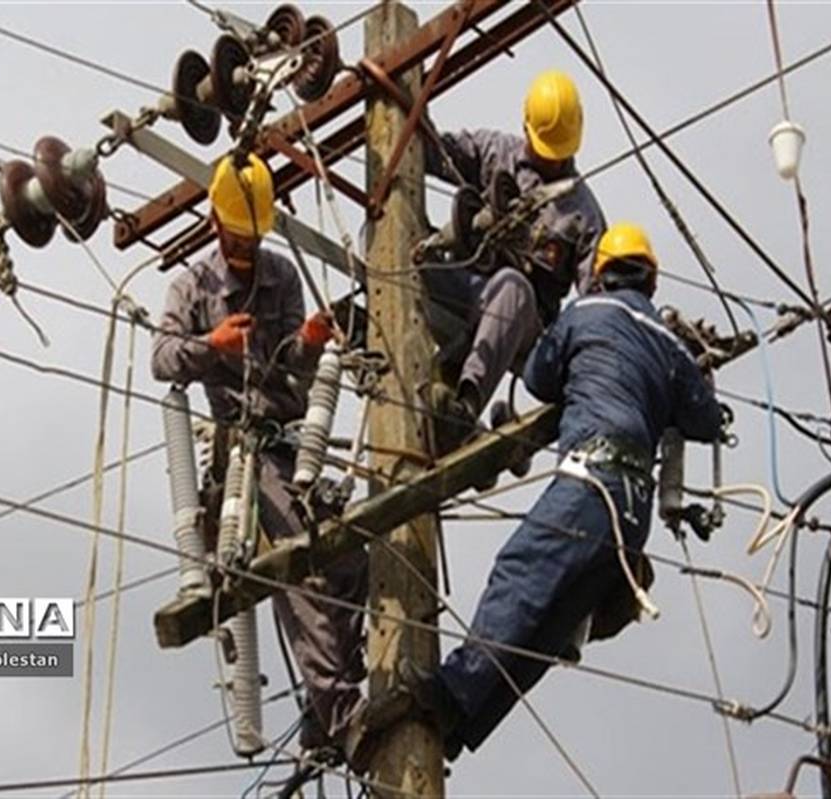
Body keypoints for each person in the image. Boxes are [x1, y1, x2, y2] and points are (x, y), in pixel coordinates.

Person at [368, 222, 724, 759]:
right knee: (549, 630)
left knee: (522, 573)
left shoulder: (586, 313)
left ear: (600, 275)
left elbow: (537, 377)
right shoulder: (670, 345)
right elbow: (705, 419)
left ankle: (450, 693)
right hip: (632, 515)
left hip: (590, 481)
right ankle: (462, 723)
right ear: (651, 282)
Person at [152, 153, 366, 756]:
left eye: (254, 236)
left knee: (352, 560)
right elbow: (161, 359)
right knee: (302, 565)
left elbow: (289, 361)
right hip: (242, 455)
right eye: (239, 235)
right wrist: (210, 344)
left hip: (292, 443)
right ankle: (344, 711)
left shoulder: (281, 275)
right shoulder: (193, 286)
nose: (247, 246)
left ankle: (327, 705)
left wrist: (309, 342)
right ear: (218, 225)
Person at [421, 69, 607, 450]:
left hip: (524, 321)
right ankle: (373, 338)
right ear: (525, 127)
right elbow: (429, 153)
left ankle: (465, 407)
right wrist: (410, 99)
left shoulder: (582, 214)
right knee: (408, 251)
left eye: (560, 154)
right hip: (466, 286)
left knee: (513, 286)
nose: (552, 162)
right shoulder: (494, 152)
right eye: (545, 150)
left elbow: (597, 304)